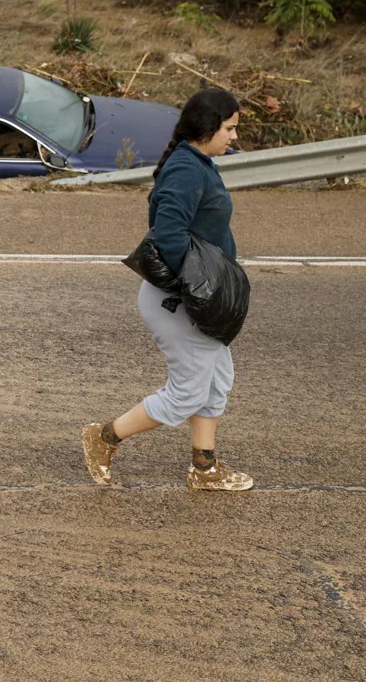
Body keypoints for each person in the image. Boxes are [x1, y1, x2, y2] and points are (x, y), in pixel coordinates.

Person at [82, 88, 254, 492]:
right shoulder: (186, 170)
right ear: (208, 127)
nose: (233, 137)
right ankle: (104, 438)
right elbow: (169, 235)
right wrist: (199, 294)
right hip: (180, 299)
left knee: (215, 381)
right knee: (187, 393)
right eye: (229, 129)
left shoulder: (199, 161)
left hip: (192, 297)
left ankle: (204, 467)